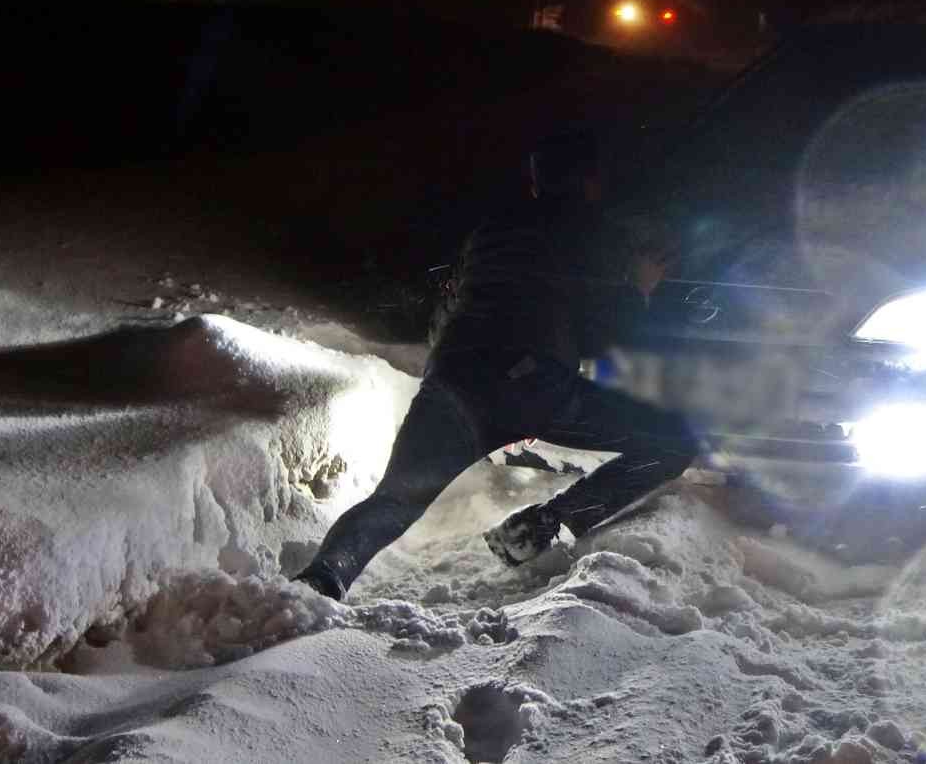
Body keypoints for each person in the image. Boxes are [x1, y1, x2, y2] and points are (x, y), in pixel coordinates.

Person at [294, 142, 705, 601]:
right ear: (593, 183)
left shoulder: (491, 231)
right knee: (674, 441)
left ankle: (319, 582)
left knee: (395, 501)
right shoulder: (594, 236)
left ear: (534, 181)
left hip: (453, 381)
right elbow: (611, 336)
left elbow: (448, 309)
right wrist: (639, 288)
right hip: (534, 385)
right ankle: (540, 525)